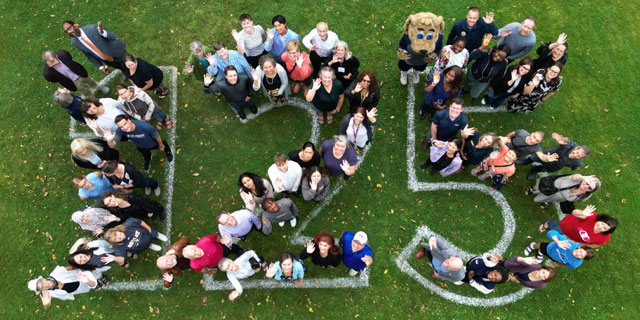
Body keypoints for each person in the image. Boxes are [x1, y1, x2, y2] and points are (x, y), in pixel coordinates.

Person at [104, 115, 173, 172]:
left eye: (125, 124)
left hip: (153, 143)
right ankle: (148, 160)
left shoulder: (145, 127)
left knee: (164, 145)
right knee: (146, 155)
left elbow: (156, 136)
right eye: (121, 126)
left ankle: (168, 152)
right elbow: (112, 146)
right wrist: (109, 140)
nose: (124, 127)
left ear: (129, 120)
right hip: (141, 146)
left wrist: (160, 144)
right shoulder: (120, 131)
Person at [62, 20, 127, 75]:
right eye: (66, 31)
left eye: (69, 28)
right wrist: (101, 67)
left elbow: (113, 37)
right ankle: (125, 72)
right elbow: (88, 55)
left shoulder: (92, 28)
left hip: (116, 52)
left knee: (130, 63)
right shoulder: (75, 41)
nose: (69, 32)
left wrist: (102, 32)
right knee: (120, 67)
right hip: (106, 60)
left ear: (75, 25)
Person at [42, 50, 108, 101]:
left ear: (56, 56)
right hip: (72, 82)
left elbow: (69, 57)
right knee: (83, 91)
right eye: (51, 63)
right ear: (46, 62)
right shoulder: (48, 73)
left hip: (79, 73)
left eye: (54, 60)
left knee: (90, 81)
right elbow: (53, 80)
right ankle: (92, 97)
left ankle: (98, 86)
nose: (54, 64)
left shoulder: (63, 54)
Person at [520, 132, 590, 180]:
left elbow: (573, 168)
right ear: (576, 148)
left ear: (581, 158)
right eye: (577, 152)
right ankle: (524, 161)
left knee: (542, 169)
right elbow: (555, 135)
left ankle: (534, 170)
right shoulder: (569, 144)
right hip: (547, 155)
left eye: (579, 156)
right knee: (534, 158)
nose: (575, 155)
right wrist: (558, 138)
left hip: (554, 166)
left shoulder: (578, 163)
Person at [540, 205, 617, 248]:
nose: (600, 227)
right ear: (600, 220)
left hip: (572, 239)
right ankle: (549, 223)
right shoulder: (592, 217)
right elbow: (574, 212)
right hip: (566, 227)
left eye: (604, 228)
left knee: (558, 240)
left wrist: (580, 244)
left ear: (607, 231)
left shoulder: (604, 238)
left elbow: (594, 245)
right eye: (602, 224)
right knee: (554, 229)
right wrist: (582, 213)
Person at [28, 266, 98, 307]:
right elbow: (49, 298)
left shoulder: (57, 272)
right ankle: (96, 285)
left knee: (94, 276)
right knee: (91, 286)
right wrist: (47, 304)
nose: (45, 286)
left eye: (43, 283)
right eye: (42, 288)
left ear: (43, 279)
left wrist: (82, 268)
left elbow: (70, 268)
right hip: (78, 288)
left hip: (81, 276)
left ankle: (100, 277)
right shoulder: (50, 292)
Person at [526, 174, 601, 210]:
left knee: (552, 198)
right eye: (587, 183)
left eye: (589, 188)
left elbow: (577, 200)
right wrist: (582, 177)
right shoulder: (577, 180)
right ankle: (533, 188)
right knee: (539, 188)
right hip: (550, 187)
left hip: (557, 197)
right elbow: (574, 177)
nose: (586, 186)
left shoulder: (586, 195)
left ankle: (547, 201)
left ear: (591, 191)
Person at [524, 230, 594, 268]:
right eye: (581, 252)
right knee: (540, 246)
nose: (578, 254)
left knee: (543, 253)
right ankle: (532, 246)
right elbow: (551, 232)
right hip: (549, 248)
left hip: (555, 258)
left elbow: (568, 265)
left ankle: (540, 254)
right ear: (580, 247)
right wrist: (557, 241)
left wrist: (559, 265)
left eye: (581, 256)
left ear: (582, 259)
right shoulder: (569, 244)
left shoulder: (576, 263)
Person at [104, 217, 168, 257]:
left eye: (116, 234)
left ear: (116, 230)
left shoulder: (128, 224)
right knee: (145, 245)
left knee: (154, 233)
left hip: (147, 233)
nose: (118, 237)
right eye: (116, 239)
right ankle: (150, 245)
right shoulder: (120, 246)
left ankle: (158, 235)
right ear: (116, 242)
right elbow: (120, 255)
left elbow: (140, 222)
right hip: (142, 246)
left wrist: (149, 229)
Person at [101, 190, 165, 221]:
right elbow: (123, 217)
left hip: (147, 206)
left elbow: (145, 203)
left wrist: (150, 212)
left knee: (154, 208)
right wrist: (116, 219)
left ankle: (160, 209)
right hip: (140, 213)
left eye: (110, 200)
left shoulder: (130, 197)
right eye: (108, 204)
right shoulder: (117, 208)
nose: (111, 203)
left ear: (112, 196)